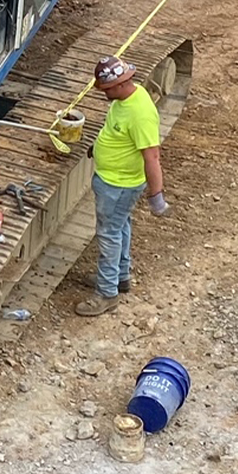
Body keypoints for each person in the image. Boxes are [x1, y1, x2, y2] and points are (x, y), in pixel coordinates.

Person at [77, 54, 166, 315]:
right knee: (120, 225)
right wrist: (100, 147)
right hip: (112, 180)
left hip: (120, 185)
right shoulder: (127, 97)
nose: (103, 93)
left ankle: (106, 293)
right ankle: (119, 276)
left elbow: (152, 156)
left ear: (118, 85)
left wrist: (156, 194)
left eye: (105, 89)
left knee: (109, 234)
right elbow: (117, 131)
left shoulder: (140, 114)